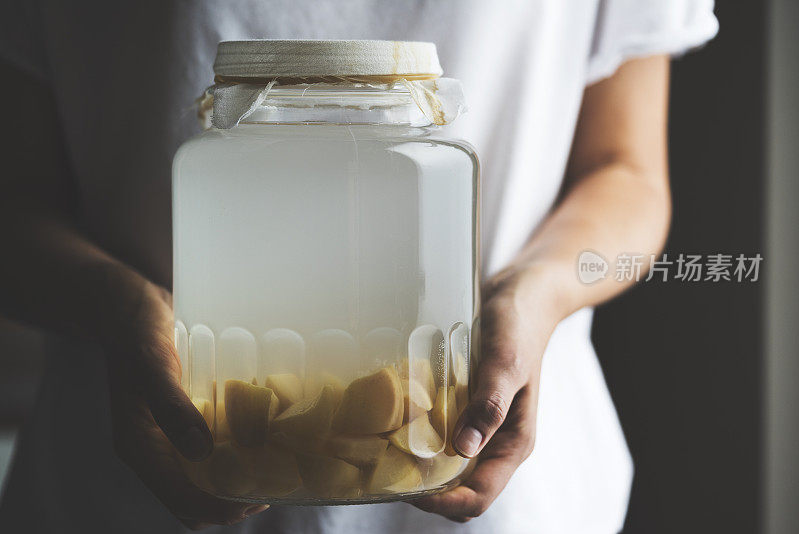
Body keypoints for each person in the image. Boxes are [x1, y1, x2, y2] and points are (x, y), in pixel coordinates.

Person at [0, 1, 717, 532]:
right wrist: (117, 306)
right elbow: (15, 201)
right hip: (129, 487)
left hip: (494, 474)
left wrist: (537, 296)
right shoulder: (210, 155)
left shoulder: (437, 159)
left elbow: (626, 173)